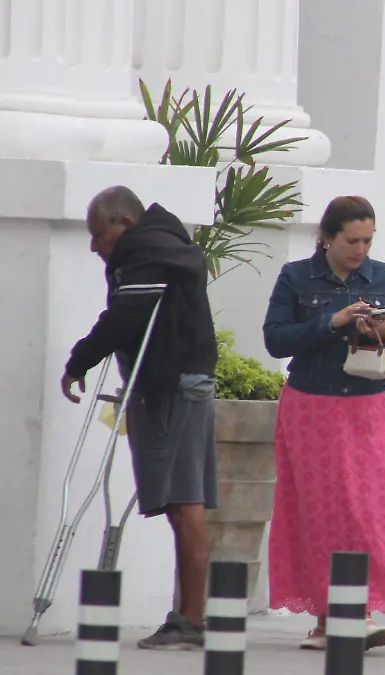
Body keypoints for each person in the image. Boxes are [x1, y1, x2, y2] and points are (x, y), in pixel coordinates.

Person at [60, 186, 219, 650]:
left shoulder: (146, 251)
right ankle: (189, 617)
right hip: (177, 383)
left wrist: (79, 361)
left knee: (184, 500)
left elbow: (125, 317)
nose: (94, 246)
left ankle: (190, 621)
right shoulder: (166, 244)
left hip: (172, 388)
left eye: (98, 234)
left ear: (123, 224)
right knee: (181, 501)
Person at [262, 195, 385, 651]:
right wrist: (332, 321)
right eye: (352, 240)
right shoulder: (296, 277)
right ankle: (326, 619)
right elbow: (275, 340)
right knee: (316, 512)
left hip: (371, 407)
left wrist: (383, 332)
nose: (361, 250)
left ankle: (360, 610)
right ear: (327, 237)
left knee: (368, 511)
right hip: (313, 406)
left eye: (368, 240)